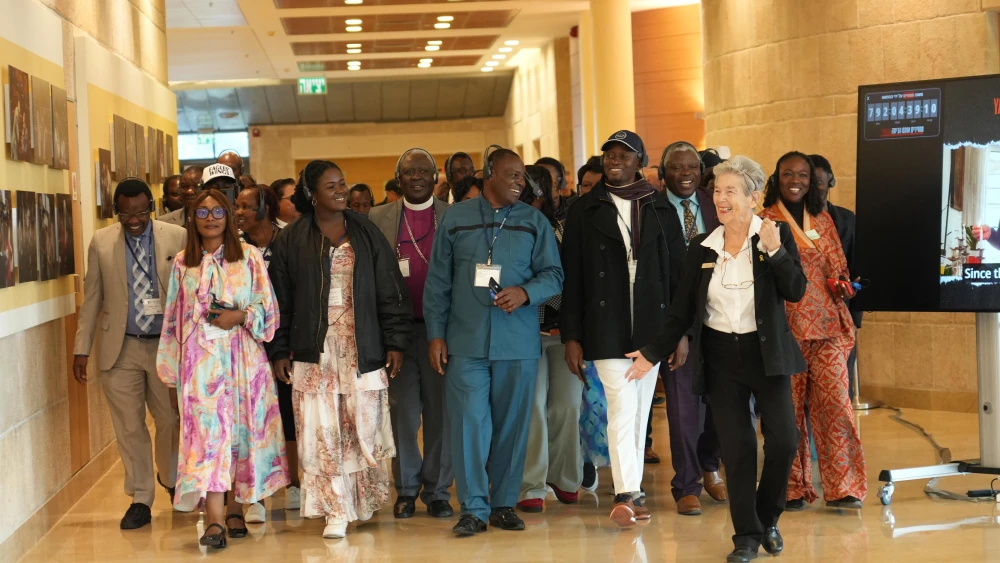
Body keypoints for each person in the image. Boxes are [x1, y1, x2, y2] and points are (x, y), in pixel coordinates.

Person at [626, 155, 806, 563]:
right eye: (717, 191)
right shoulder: (702, 246)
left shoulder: (773, 236)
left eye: (730, 191)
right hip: (722, 357)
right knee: (738, 447)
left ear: (753, 198)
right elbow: (682, 309)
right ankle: (746, 537)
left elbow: (795, 291)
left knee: (784, 442)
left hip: (767, 356)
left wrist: (777, 254)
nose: (720, 199)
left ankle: (767, 516)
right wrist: (651, 354)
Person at [267, 160, 413, 539]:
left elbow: (390, 289)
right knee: (323, 430)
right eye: (330, 186)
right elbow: (279, 300)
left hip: (361, 345)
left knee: (360, 426)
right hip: (312, 351)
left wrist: (396, 341)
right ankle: (335, 510)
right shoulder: (292, 238)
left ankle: (360, 501)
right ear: (311, 194)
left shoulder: (366, 231)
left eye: (342, 183)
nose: (340, 190)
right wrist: (280, 349)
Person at [423, 148, 563, 537]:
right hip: (464, 341)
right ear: (490, 175)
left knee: (512, 426)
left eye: (523, 176)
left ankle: (502, 504)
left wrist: (525, 292)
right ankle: (473, 508)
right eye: (514, 175)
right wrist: (435, 334)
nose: (522, 182)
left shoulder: (534, 222)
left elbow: (554, 275)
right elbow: (438, 282)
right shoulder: (456, 218)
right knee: (469, 425)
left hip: (517, 342)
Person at [560, 130, 686, 527]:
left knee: (639, 410)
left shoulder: (660, 207)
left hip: (652, 326)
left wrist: (680, 333)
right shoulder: (584, 209)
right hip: (605, 325)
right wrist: (571, 336)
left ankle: (634, 490)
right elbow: (573, 278)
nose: (615, 160)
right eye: (609, 154)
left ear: (640, 162)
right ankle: (624, 493)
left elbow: (678, 277)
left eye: (624, 154)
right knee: (621, 405)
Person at [156, 187, 287, 549]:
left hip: (244, 363)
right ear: (192, 220)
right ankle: (213, 520)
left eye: (217, 211)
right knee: (208, 440)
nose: (210, 218)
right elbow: (172, 322)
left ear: (229, 217)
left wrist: (239, 316)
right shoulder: (183, 263)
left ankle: (235, 510)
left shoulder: (250, 258)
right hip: (200, 369)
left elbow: (269, 312)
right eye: (202, 213)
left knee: (241, 437)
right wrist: (171, 376)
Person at [72, 178, 183, 530]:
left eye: (140, 212)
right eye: (125, 213)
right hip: (120, 348)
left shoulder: (176, 237)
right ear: (116, 209)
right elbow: (92, 299)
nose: (133, 220)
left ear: (150, 205)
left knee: (169, 420)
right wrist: (81, 349)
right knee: (129, 426)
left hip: (166, 348)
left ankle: (170, 477)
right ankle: (140, 498)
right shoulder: (101, 242)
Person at [759, 151, 866, 512]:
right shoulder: (765, 219)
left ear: (812, 180)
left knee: (836, 406)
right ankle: (790, 488)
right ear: (777, 177)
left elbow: (839, 265)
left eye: (803, 175)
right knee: (786, 416)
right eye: (788, 173)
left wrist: (844, 285)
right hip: (785, 330)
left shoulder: (822, 217)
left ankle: (844, 487)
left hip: (830, 329)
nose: (796, 181)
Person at [369, 149, 454, 520]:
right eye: (408, 172)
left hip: (443, 332)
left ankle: (437, 491)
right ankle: (405, 489)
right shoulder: (378, 217)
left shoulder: (453, 216)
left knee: (441, 413)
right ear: (398, 179)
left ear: (436, 178)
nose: (416, 177)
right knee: (403, 412)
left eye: (424, 171)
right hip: (398, 335)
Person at [653, 141, 726, 515]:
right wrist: (678, 331)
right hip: (676, 324)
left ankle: (709, 462)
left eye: (692, 168)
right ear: (662, 173)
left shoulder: (717, 205)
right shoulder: (650, 210)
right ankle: (687, 484)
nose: (685, 174)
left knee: (724, 406)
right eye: (677, 168)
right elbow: (654, 276)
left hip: (721, 321)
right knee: (683, 410)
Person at [515, 165, 583, 513]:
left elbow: (577, 277)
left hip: (565, 333)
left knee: (567, 407)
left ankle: (566, 477)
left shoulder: (567, 224)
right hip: (526, 332)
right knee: (533, 409)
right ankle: (532, 484)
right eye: (532, 188)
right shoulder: (512, 224)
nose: (539, 194)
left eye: (546, 187)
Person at [233, 182, 301, 510]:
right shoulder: (235, 246)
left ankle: (293, 482)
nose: (239, 213)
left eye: (246, 207)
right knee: (253, 418)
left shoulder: (287, 238)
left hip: (284, 339)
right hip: (248, 343)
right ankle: (257, 492)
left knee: (287, 414)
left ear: (265, 209)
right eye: (238, 206)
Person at [809, 154, 862, 398]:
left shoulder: (848, 219)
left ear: (831, 181)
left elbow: (860, 270)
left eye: (818, 181)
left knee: (839, 391)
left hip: (841, 317)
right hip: (805, 320)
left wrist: (855, 315)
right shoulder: (789, 222)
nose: (813, 188)